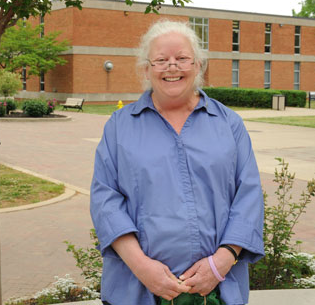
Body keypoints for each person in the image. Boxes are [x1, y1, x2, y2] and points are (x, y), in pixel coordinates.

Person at [90, 20, 264, 305]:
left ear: (198, 65)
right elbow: (104, 201)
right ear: (146, 69)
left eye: (182, 58)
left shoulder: (229, 124)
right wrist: (142, 267)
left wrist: (220, 262)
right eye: (161, 60)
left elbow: (249, 197)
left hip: (217, 289)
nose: (172, 66)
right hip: (136, 290)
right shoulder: (119, 127)